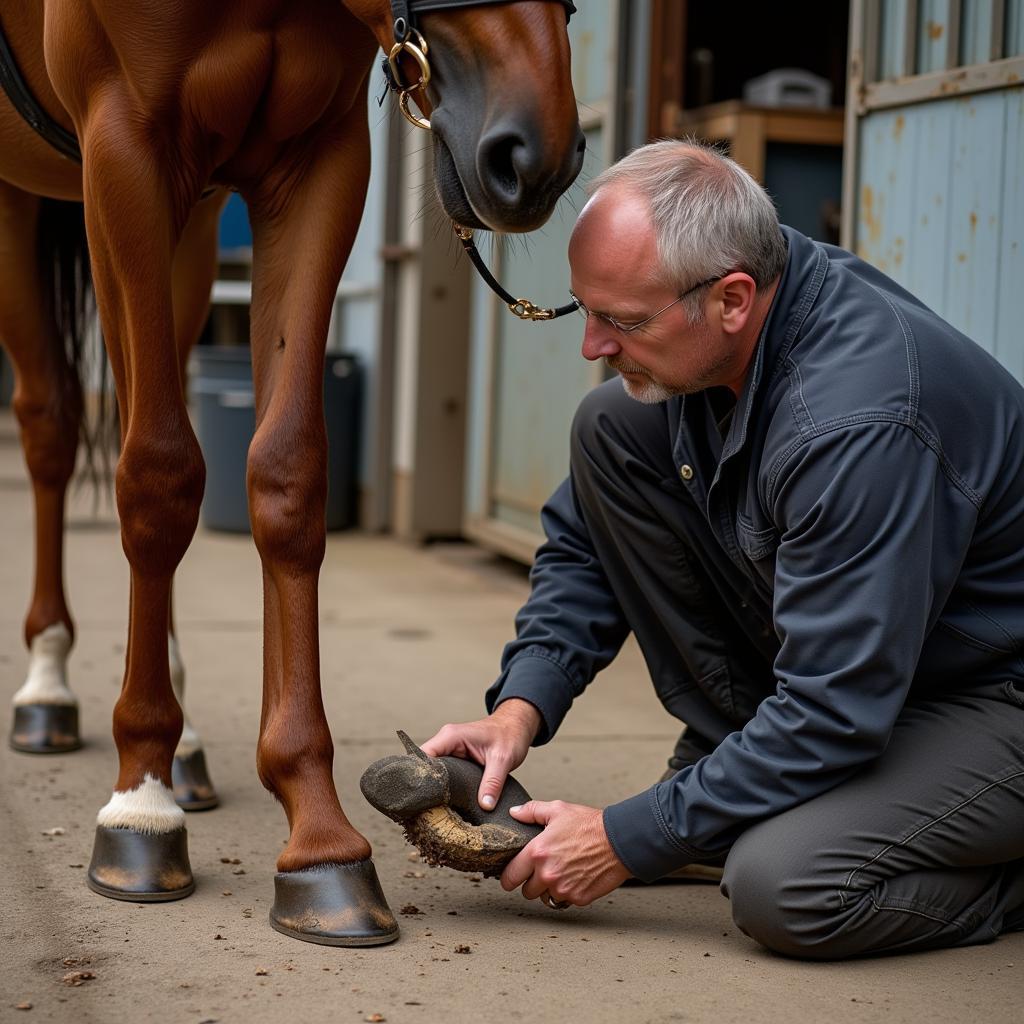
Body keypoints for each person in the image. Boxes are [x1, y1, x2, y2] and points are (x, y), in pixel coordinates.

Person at [421, 139, 1024, 960]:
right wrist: (520, 707)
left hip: (994, 696)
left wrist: (630, 837)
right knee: (611, 427)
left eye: (622, 321)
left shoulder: (855, 423)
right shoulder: (728, 327)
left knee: (787, 885)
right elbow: (588, 550)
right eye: (584, 309)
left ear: (733, 298)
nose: (591, 346)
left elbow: (835, 711)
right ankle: (740, 780)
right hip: (888, 675)